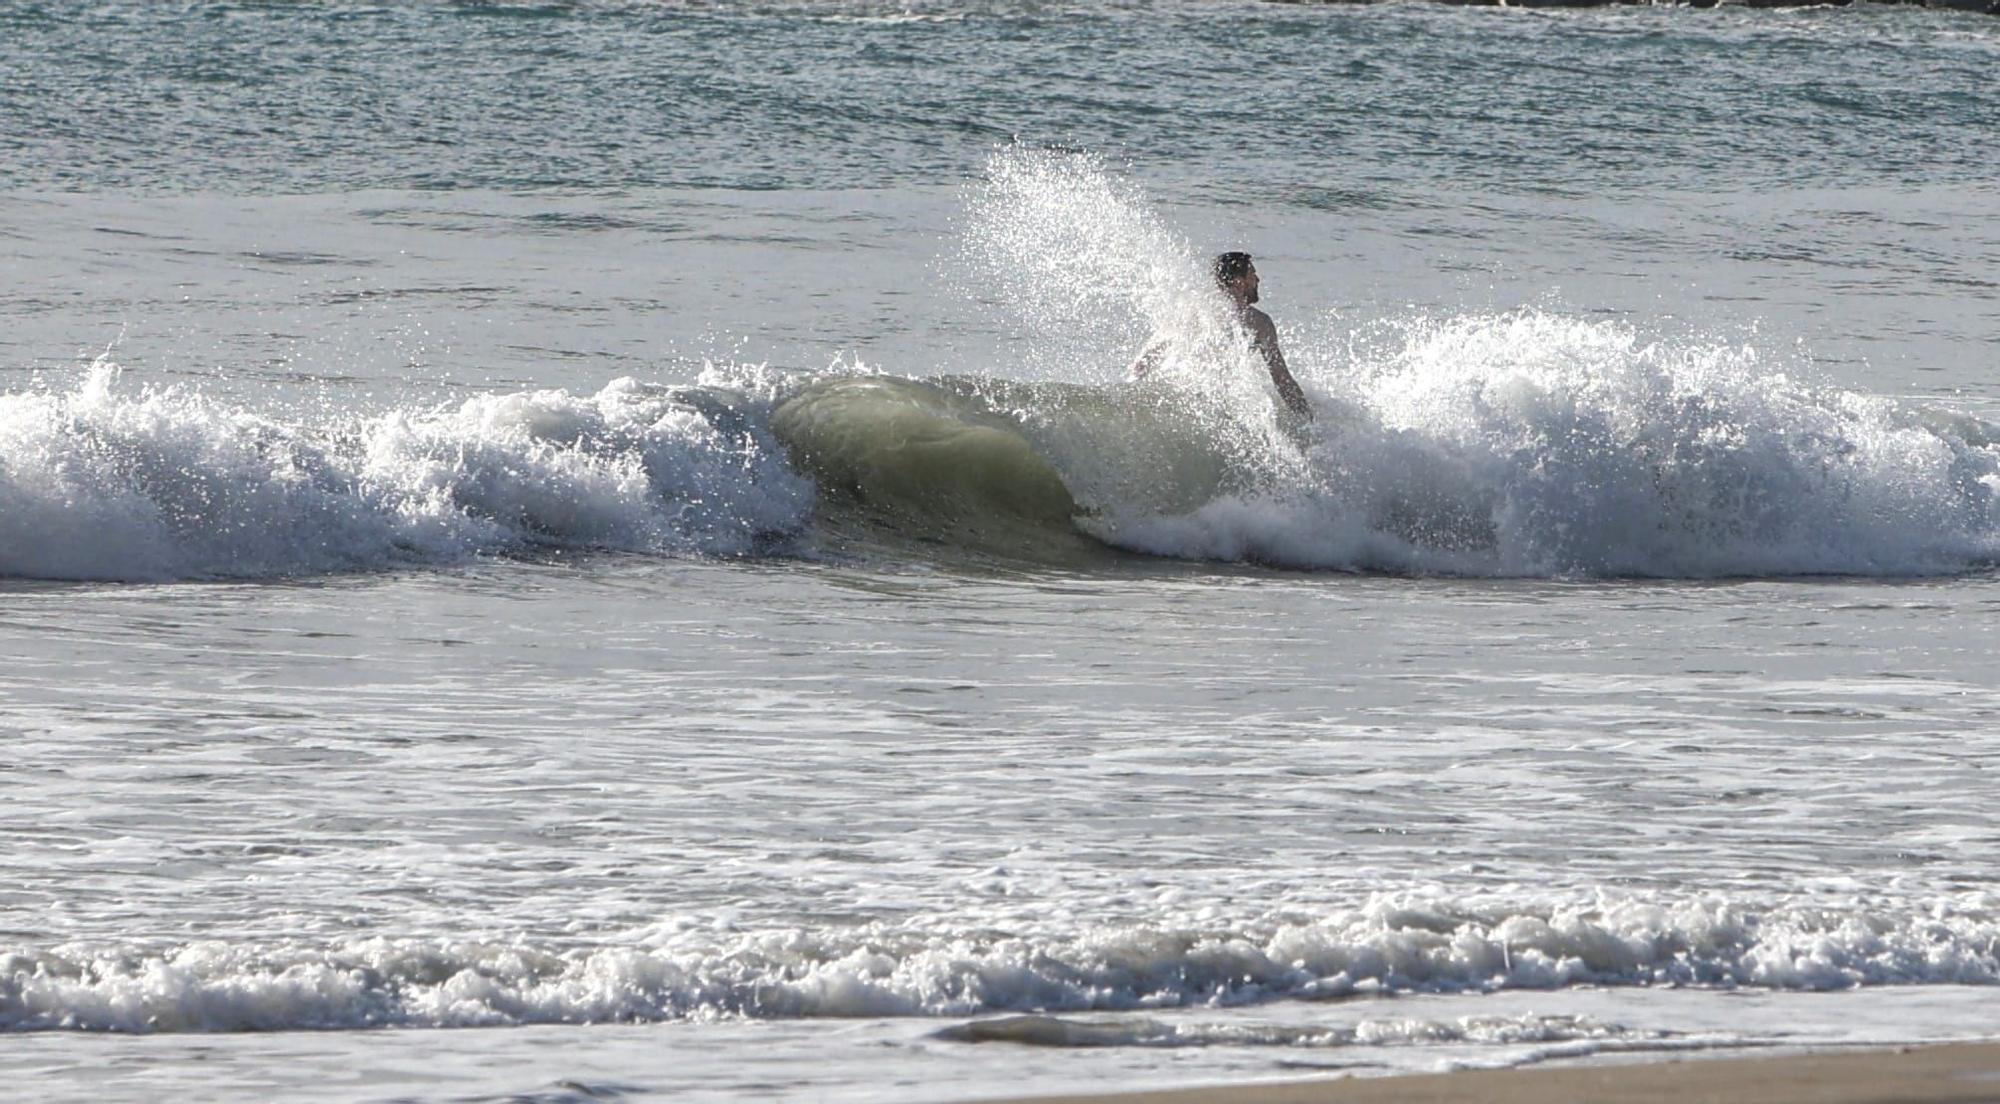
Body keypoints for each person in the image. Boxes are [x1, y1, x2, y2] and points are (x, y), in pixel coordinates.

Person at [1130, 251, 1312, 420]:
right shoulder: (1259, 322)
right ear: (1239, 282)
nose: (1257, 279)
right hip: (1220, 404)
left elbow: (1143, 362)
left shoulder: (1193, 308)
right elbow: (1282, 380)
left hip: (1182, 397)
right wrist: (1308, 418)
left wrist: (1133, 390)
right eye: (1252, 275)